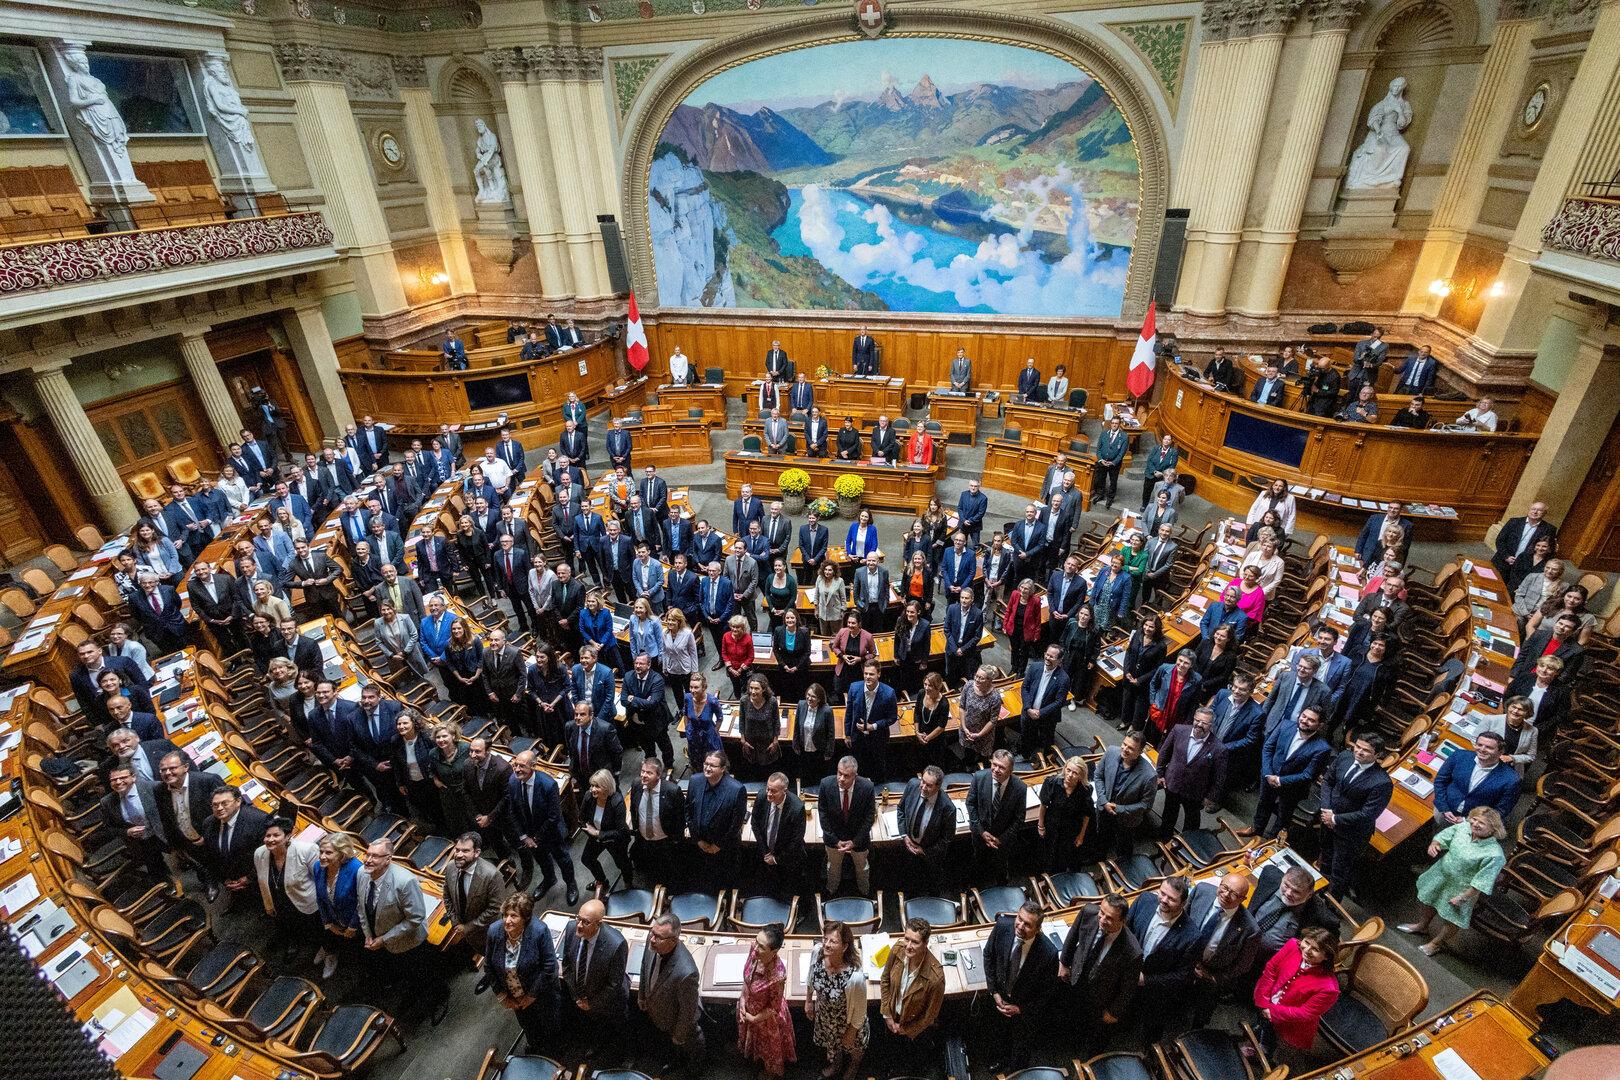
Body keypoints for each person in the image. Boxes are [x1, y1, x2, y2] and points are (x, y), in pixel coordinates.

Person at [1400, 806, 1507, 956]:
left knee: (1452, 919)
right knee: (1430, 900)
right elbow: (1444, 836)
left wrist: (1463, 897)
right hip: (1441, 875)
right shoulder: (1464, 827)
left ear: (1493, 828)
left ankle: (1436, 944)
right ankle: (1422, 926)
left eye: (1481, 823)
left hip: (1462, 889)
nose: (1475, 824)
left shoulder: (1494, 854)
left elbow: (1483, 880)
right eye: (1474, 819)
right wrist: (1435, 844)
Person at [357, 838, 443, 1023]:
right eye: (368, 854)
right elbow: (361, 906)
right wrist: (368, 935)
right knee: (406, 974)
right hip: (383, 941)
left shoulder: (404, 881)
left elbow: (415, 918)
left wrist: (384, 939)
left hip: (411, 942)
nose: (368, 859)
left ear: (388, 859)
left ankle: (436, 1001)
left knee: (424, 974)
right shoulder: (362, 874)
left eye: (375, 856)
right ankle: (415, 993)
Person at [980, 901, 1059, 1073]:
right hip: (999, 998)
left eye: (1028, 924)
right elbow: (988, 955)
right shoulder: (1002, 926)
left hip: (1024, 1009)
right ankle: (1000, 1061)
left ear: (1037, 930)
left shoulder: (1049, 953)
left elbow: (1047, 993)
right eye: (1019, 919)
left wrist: (1020, 1009)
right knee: (999, 1034)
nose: (1020, 926)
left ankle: (1017, 1071)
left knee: (1020, 1047)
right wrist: (993, 991)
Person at [1060, 893, 1141, 1052]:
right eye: (1102, 912)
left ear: (1122, 921)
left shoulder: (1132, 951)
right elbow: (1072, 937)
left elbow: (1128, 987)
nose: (1102, 919)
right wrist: (1064, 963)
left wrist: (1114, 1011)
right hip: (1077, 978)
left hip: (1102, 996)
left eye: (1109, 918)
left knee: (1096, 1037)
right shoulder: (1088, 912)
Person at [1317, 734, 1393, 899]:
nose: (1359, 752)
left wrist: (1335, 819)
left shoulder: (1382, 782)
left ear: (1378, 755)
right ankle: (1318, 894)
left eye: (1366, 750)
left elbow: (1368, 814)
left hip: (1351, 834)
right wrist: (1326, 810)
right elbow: (1328, 782)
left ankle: (1332, 906)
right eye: (1358, 747)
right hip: (1327, 820)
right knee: (1325, 858)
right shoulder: (1345, 756)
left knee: (1339, 872)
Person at [481, 891, 560, 1052]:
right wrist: (502, 995)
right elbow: (488, 966)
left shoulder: (539, 931)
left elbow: (549, 967)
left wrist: (531, 996)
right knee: (527, 1024)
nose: (507, 921)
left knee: (550, 1023)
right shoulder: (494, 931)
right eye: (505, 915)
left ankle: (554, 1050)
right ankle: (534, 1043)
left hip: (541, 993)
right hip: (514, 995)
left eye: (513, 916)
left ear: (525, 918)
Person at [1253, 927, 1341, 1068]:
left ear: (1326, 956)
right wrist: (1263, 1002)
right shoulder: (1292, 945)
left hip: (1288, 1024)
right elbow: (1271, 970)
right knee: (1261, 1029)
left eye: (1315, 949)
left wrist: (1272, 1012)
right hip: (1266, 1004)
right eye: (1306, 943)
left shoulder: (1329, 988)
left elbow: (1305, 1013)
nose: (1306, 950)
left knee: (1275, 1047)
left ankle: (1265, 1057)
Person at [1241, 706, 1332, 840]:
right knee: (1263, 804)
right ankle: (1256, 829)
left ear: (1320, 725)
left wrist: (1279, 780)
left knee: (1284, 814)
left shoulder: (1322, 748)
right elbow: (1268, 748)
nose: (1305, 721)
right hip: (1269, 776)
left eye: (1311, 720)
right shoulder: (1285, 725)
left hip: (1292, 787)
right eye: (1304, 716)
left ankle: (1272, 840)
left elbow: (1308, 775)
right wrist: (1267, 773)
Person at [559, 897, 630, 1059]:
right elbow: (568, 965)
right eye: (578, 918)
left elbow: (614, 984)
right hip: (582, 996)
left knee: (619, 1031)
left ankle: (623, 1057)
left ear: (598, 924)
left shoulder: (616, 944)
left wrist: (591, 1003)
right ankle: (596, 1044)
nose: (579, 925)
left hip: (609, 1001)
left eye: (585, 922)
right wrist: (577, 996)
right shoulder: (571, 929)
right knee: (593, 1027)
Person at [507, 750, 579, 904]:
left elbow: (553, 817)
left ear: (533, 766)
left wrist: (536, 838)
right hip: (529, 835)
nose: (517, 769)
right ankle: (549, 879)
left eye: (522, 766)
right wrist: (524, 837)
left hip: (551, 833)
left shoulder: (548, 784)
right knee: (542, 859)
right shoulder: (513, 781)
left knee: (563, 859)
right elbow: (513, 811)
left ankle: (571, 884)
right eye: (515, 765)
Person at [638, 912, 704, 1076]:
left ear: (674, 940)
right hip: (660, 1013)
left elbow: (687, 1010)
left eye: (658, 937)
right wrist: (641, 995)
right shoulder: (653, 939)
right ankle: (675, 1058)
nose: (652, 939)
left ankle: (695, 1068)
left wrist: (679, 1034)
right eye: (652, 933)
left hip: (679, 1020)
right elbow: (644, 965)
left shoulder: (686, 972)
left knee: (691, 1044)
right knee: (671, 1046)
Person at [875, 918, 945, 1071]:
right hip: (892, 1016)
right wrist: (887, 1014)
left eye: (915, 942)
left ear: (925, 944)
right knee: (892, 1054)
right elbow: (885, 979)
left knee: (913, 1060)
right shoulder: (897, 949)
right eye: (906, 938)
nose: (908, 945)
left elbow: (930, 1015)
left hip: (915, 1028)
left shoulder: (935, 978)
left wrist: (908, 1030)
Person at [808, 920, 869, 1080]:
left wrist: (852, 1031)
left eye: (833, 941)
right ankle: (836, 1065)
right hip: (826, 1017)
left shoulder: (855, 976)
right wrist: (808, 1000)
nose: (826, 945)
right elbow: (810, 975)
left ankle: (853, 1066)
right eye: (825, 939)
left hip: (847, 1021)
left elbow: (861, 1009)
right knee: (833, 1045)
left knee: (854, 1047)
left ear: (844, 946)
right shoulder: (818, 952)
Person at [254, 816, 321, 963]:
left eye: (276, 835)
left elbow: (319, 880)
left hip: (304, 900)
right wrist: (268, 904)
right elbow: (262, 882)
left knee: (309, 928)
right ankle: (290, 940)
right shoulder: (259, 853)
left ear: (288, 836)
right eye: (267, 836)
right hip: (278, 900)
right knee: (285, 922)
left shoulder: (307, 850)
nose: (270, 839)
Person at [735, 923, 796, 1080]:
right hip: (748, 1009)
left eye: (761, 947)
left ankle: (771, 1073)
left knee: (769, 1053)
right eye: (756, 942)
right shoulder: (754, 950)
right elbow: (747, 978)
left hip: (766, 1019)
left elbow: (774, 1008)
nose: (755, 949)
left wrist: (754, 1018)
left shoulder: (778, 975)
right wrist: (742, 998)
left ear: (774, 951)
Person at [1157, 707, 1228, 837]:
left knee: (1192, 820)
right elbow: (1164, 752)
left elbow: (1219, 777)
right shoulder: (1178, 730)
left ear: (1211, 726)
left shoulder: (1219, 749)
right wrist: (1160, 773)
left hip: (1195, 792)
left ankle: (1186, 844)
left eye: (1204, 723)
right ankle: (1164, 838)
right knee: (1169, 813)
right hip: (1173, 783)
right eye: (1197, 720)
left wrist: (1210, 797)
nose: (1199, 725)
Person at [1432, 730, 1520, 823]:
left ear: (1501, 751)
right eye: (1479, 745)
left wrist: (1470, 821)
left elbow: (1501, 810)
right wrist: (1444, 807)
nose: (1482, 749)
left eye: (1489, 747)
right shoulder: (1459, 755)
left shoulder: (1512, 779)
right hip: (1444, 810)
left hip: (1476, 824)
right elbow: (1440, 781)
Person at [101, 763, 171, 881]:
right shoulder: (107, 802)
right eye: (113, 780)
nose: (118, 782)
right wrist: (126, 832)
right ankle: (168, 885)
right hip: (141, 841)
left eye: (123, 778)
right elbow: (108, 828)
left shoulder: (154, 788)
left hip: (165, 832)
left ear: (133, 777)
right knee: (156, 869)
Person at [967, 749, 1027, 885]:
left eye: (1002, 767)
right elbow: (970, 804)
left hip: (1003, 839)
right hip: (980, 834)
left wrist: (1001, 839)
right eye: (994, 764)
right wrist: (981, 832)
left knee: (1000, 865)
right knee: (979, 862)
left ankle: (1001, 885)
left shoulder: (1020, 788)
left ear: (1011, 770)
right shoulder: (979, 778)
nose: (996, 769)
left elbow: (1019, 819)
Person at [818, 755, 875, 896]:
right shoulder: (825, 784)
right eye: (839, 773)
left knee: (862, 868)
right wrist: (835, 840)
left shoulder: (867, 787)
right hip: (834, 839)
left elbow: (869, 817)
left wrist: (855, 842)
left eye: (846, 776)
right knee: (833, 867)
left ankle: (864, 892)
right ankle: (831, 891)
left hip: (858, 839)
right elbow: (823, 815)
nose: (841, 778)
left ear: (855, 775)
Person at [443, 831, 506, 958]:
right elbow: (447, 896)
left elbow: (494, 909)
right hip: (471, 936)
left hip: (490, 932)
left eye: (465, 851)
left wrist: (468, 927)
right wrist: (455, 922)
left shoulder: (492, 875)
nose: (459, 855)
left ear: (476, 853)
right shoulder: (450, 867)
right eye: (457, 850)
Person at [1094, 731, 1155, 858]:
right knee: (1101, 836)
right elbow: (1098, 776)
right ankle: (1098, 857)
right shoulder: (1111, 752)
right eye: (1124, 744)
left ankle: (1124, 866)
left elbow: (1146, 805)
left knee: (1124, 845)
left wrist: (1119, 809)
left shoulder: (1149, 775)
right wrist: (1104, 800)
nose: (1125, 749)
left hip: (1127, 819)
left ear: (1140, 752)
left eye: (1131, 748)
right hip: (1104, 808)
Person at [686, 749, 745, 879]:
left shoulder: (736, 789)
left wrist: (718, 845)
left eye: (712, 765)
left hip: (724, 849)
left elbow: (736, 823)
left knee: (725, 879)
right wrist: (698, 839)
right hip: (701, 845)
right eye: (706, 764)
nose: (707, 768)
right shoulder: (695, 781)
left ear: (723, 768)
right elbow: (688, 811)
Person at [312, 831, 361, 980]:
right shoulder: (318, 867)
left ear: (341, 854)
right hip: (331, 916)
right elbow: (320, 897)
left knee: (351, 949)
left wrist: (352, 926)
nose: (322, 856)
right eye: (321, 851)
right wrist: (327, 922)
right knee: (328, 935)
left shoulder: (357, 869)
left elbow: (361, 902)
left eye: (328, 853)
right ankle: (328, 950)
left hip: (351, 920)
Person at [629, 759, 685, 888]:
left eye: (649, 773)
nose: (643, 775)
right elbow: (633, 808)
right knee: (650, 871)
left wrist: (676, 839)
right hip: (644, 840)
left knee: (670, 872)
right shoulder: (636, 785)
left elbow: (680, 818)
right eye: (642, 771)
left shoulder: (672, 791)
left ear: (659, 775)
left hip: (666, 841)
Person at [751, 771, 806, 900]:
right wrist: (766, 852)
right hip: (765, 853)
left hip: (788, 857)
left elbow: (796, 840)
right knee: (767, 888)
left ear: (784, 791)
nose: (769, 794)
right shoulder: (761, 796)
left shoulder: (796, 808)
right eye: (768, 789)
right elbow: (755, 823)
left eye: (774, 791)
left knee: (788, 890)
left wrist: (776, 859)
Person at [1037, 756, 1093, 871]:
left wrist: (1081, 835)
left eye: (1075, 773)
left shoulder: (1085, 790)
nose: (1070, 775)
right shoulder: (1052, 783)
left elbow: (1087, 815)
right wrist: (1040, 825)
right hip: (1052, 826)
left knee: (1064, 857)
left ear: (1081, 776)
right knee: (1049, 855)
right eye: (1068, 770)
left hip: (1070, 830)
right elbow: (1043, 805)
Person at [844, 661, 897, 777]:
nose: (867, 677)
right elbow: (849, 712)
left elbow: (892, 718)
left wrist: (873, 726)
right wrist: (847, 734)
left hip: (878, 738)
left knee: (877, 768)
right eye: (865, 673)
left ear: (878, 674)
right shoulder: (854, 687)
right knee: (858, 768)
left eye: (871, 674)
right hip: (857, 737)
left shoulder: (889, 693)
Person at [1146, 649, 1202, 746]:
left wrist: (1188, 722)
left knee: (1168, 743)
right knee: (1150, 739)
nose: (1181, 664)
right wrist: (1153, 701)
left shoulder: (1197, 679)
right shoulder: (1164, 668)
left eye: (1186, 663)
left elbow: (1194, 703)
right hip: (1159, 711)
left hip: (1177, 716)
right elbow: (1153, 684)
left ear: (1191, 665)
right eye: (1180, 660)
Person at [1093, 417, 1129, 507]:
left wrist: (1113, 462)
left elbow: (1122, 453)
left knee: (1113, 481)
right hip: (1103, 462)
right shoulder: (1104, 433)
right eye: (1112, 423)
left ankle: (1110, 498)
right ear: (1110, 423)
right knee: (1101, 479)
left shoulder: (1124, 436)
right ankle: (1100, 495)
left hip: (1114, 464)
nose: (1114, 425)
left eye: (1116, 423)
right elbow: (1098, 449)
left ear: (1119, 424)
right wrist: (1101, 459)